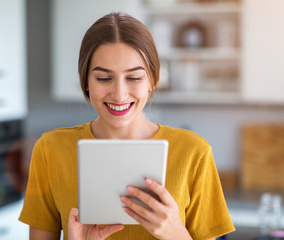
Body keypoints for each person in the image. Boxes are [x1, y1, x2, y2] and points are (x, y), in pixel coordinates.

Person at [19, 12, 235, 240]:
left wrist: (175, 234)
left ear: (153, 79)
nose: (119, 94)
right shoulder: (49, 150)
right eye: (103, 78)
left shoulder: (194, 152)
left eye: (134, 78)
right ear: (86, 82)